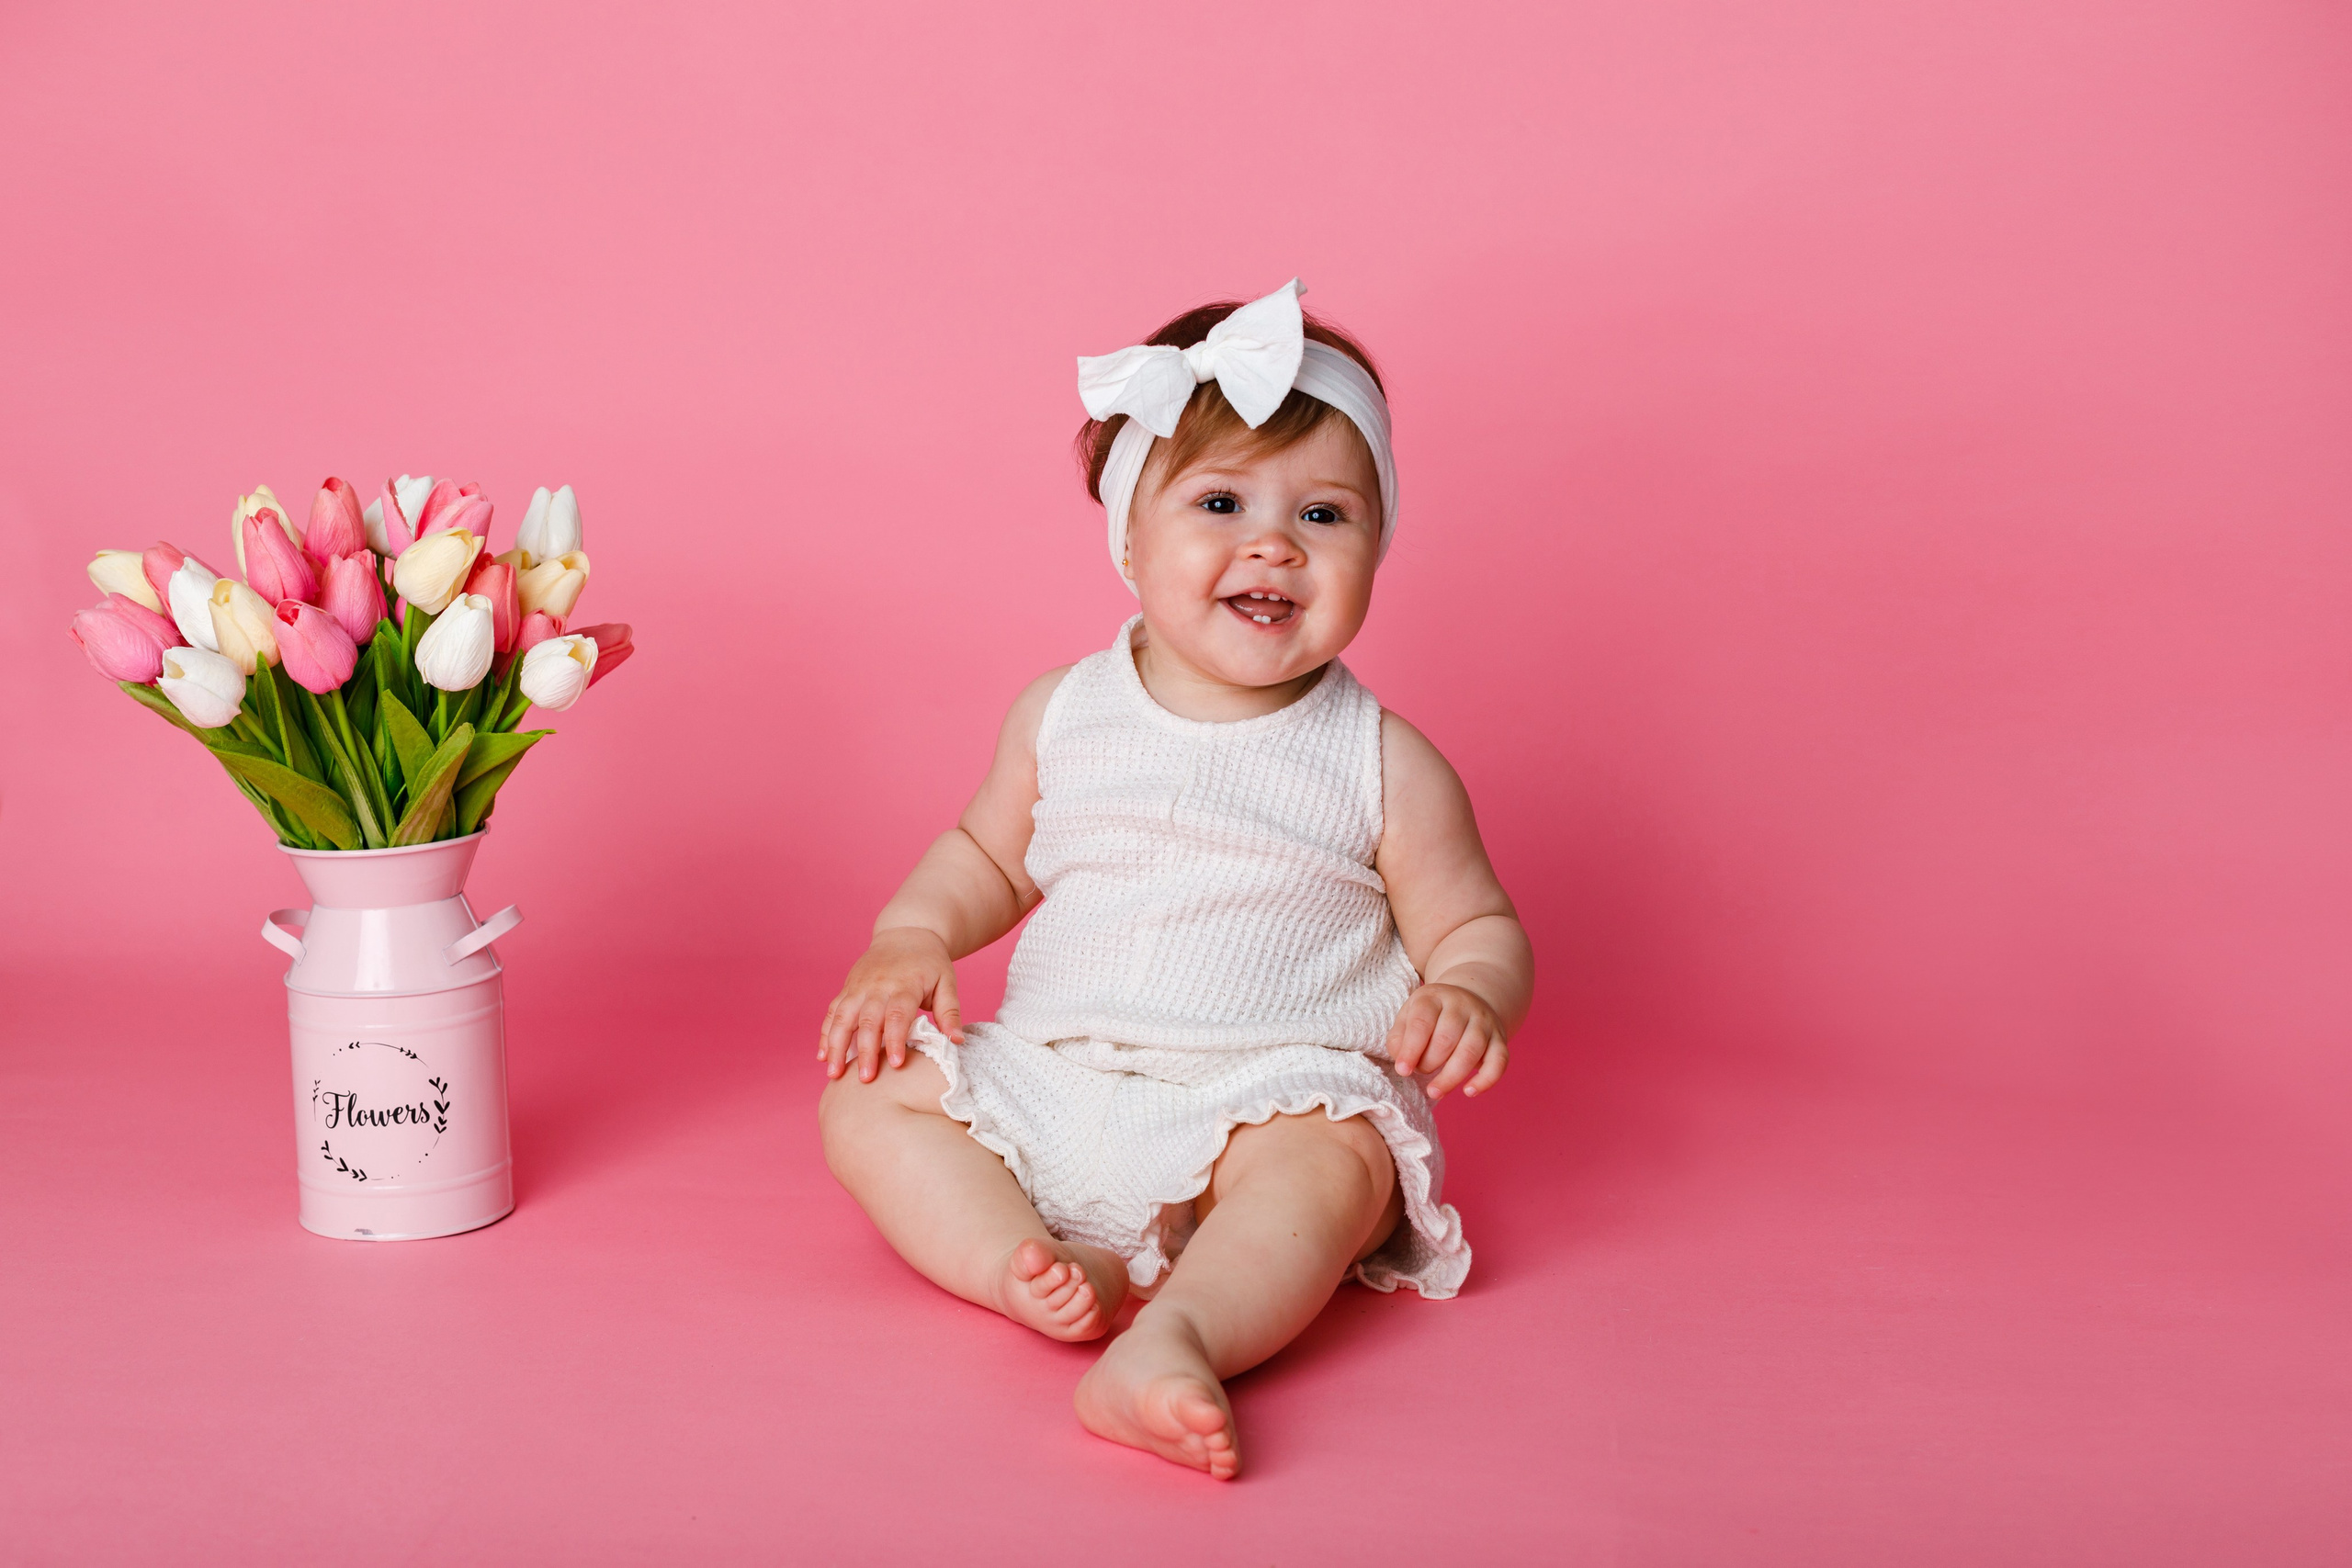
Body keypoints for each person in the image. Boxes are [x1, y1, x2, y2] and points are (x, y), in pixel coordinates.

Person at [816, 280, 1534, 1479]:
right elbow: (990, 855)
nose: (1273, 545)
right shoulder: (1065, 713)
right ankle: (1022, 1263)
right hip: (1053, 1078)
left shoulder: (1382, 761)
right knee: (868, 1101)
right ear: (1128, 539)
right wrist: (911, 938)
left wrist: (1471, 991)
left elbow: (1474, 921)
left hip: (1263, 1096)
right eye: (1220, 503)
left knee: (1341, 1159)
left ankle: (1179, 1336)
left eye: (1324, 515)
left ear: (1377, 548)